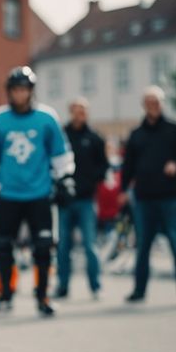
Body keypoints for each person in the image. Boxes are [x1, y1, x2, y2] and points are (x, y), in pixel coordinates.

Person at [0, 66, 75, 316]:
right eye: (16, 90)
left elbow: (60, 153)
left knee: (43, 246)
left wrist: (66, 177)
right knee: (3, 244)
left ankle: (42, 297)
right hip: (9, 194)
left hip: (39, 193)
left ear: (31, 92)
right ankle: (5, 294)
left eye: (24, 90)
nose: (20, 94)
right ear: (9, 92)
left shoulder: (47, 118)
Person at [119, 86, 176, 306]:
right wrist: (123, 190)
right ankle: (139, 290)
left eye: (156, 102)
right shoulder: (136, 134)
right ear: (144, 106)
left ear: (162, 104)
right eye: (149, 102)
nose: (153, 106)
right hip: (144, 198)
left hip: (170, 197)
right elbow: (128, 166)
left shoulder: (175, 130)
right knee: (143, 246)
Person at [54, 98, 108, 299]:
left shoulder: (95, 138)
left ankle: (95, 285)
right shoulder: (61, 136)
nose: (80, 114)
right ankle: (62, 285)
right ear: (70, 112)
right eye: (76, 110)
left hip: (86, 199)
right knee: (63, 246)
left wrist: (92, 178)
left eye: (83, 110)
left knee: (89, 245)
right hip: (64, 201)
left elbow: (104, 166)